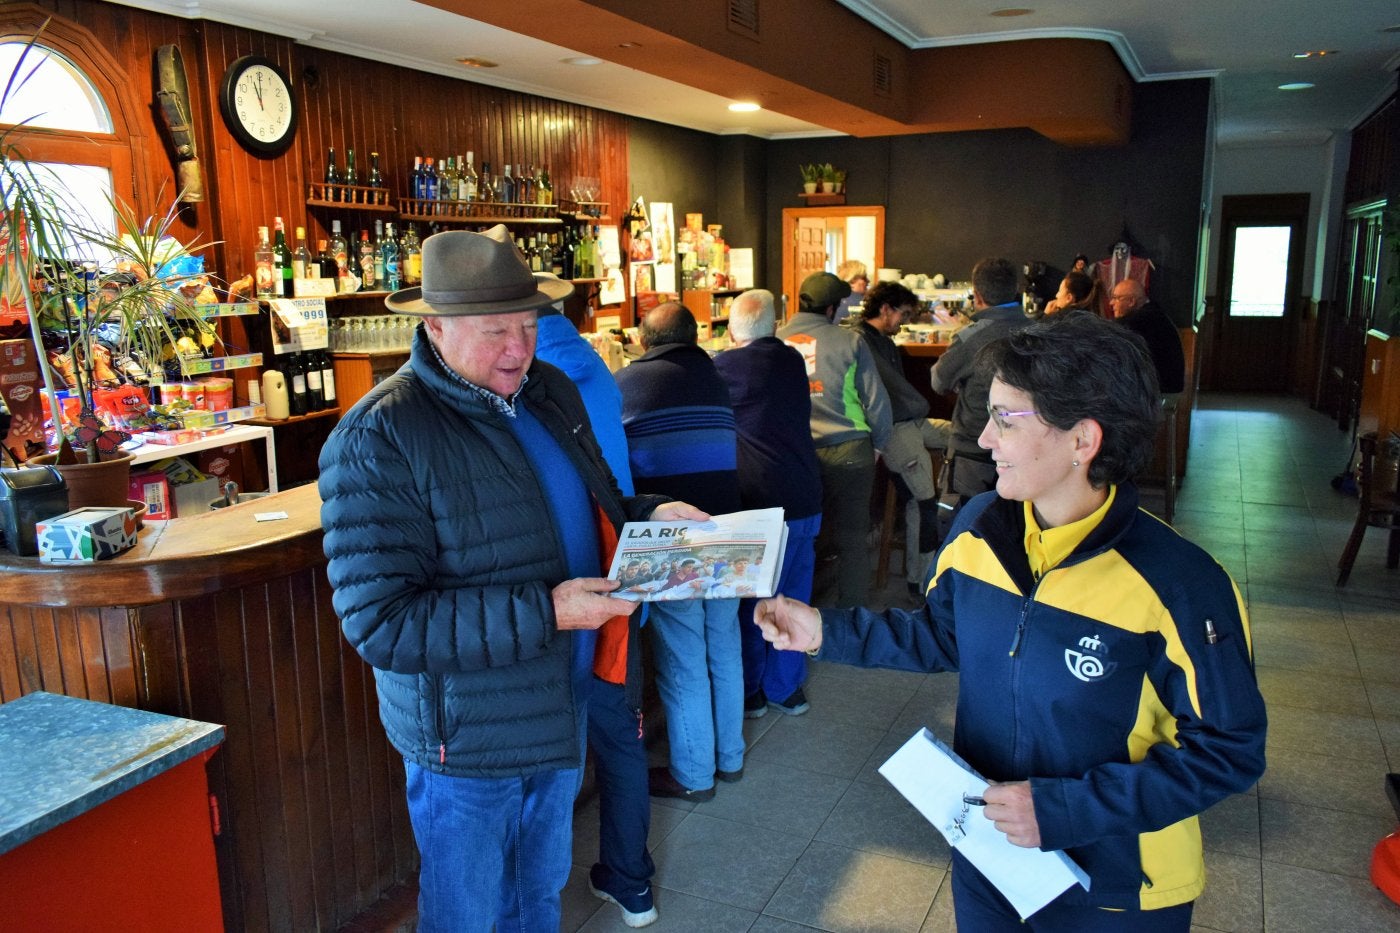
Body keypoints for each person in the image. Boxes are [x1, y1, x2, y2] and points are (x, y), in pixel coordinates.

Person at [754, 311, 1266, 932]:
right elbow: (942, 635)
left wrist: (1063, 810)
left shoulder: (1181, 585)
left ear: (1083, 440)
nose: (985, 439)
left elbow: (1229, 751)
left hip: (1116, 888)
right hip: (990, 856)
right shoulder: (981, 529)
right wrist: (822, 631)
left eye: (1005, 418)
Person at [318, 226, 703, 932]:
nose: (518, 348)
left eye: (528, 324)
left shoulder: (549, 390)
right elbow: (381, 623)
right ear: (433, 327)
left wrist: (651, 514)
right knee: (469, 914)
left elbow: (593, 507)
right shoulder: (380, 435)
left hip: (562, 704)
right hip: (468, 740)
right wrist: (547, 612)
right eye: (495, 330)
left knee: (536, 899)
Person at [531, 274, 659, 927]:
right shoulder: (592, 364)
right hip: (620, 562)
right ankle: (631, 880)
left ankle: (539, 901)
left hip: (573, 586)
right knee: (621, 735)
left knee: (559, 751)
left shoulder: (532, 381)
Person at [615, 301, 746, 802]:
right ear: (692, 338)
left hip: (674, 535)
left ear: (644, 340)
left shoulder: (627, 383)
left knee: (684, 659)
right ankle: (729, 758)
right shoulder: (715, 376)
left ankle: (694, 775)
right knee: (724, 648)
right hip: (729, 530)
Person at [713, 288, 823, 717]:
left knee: (753, 599)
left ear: (731, 329)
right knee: (795, 593)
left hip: (761, 501)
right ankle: (786, 688)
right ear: (775, 324)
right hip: (806, 494)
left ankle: (751, 692)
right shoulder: (792, 359)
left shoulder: (726, 367)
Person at [778, 271, 893, 608]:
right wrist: (878, 445)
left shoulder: (774, 339)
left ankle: (796, 611)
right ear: (830, 309)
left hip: (796, 451)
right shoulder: (850, 341)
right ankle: (850, 620)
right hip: (849, 448)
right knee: (852, 538)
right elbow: (876, 401)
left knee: (799, 535)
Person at [857, 280, 953, 592]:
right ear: (885, 309)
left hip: (910, 421)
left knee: (965, 437)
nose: (906, 322)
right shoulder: (860, 342)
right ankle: (920, 581)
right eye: (905, 314)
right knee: (923, 500)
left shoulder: (880, 341)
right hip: (893, 427)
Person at [930, 257, 1032, 523]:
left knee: (966, 527)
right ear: (1015, 289)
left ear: (977, 295)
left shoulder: (972, 336)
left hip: (973, 449)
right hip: (1028, 445)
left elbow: (938, 382)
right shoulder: (1039, 331)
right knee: (1020, 525)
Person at [1110, 279, 1186, 394]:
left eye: (1116, 298)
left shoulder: (1142, 320)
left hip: (1160, 394)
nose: (1111, 303)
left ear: (1131, 301)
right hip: (1159, 388)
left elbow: (1110, 335)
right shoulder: (1151, 312)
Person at [832, 259, 870, 325]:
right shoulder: (865, 303)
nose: (868, 281)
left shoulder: (833, 301)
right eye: (864, 278)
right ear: (851, 281)